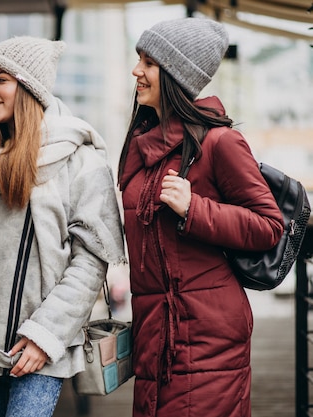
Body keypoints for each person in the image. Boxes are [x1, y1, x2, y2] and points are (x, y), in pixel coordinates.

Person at [0, 36, 126, 417]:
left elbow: (90, 261)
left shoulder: (79, 159)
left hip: (43, 346)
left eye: (2, 79)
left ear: (30, 88)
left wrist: (44, 336)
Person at [117, 17, 284, 416]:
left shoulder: (220, 142)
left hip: (209, 338)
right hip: (155, 333)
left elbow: (270, 226)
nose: (136, 71)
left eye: (149, 63)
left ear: (176, 75)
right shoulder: (141, 144)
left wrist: (196, 208)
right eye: (138, 59)